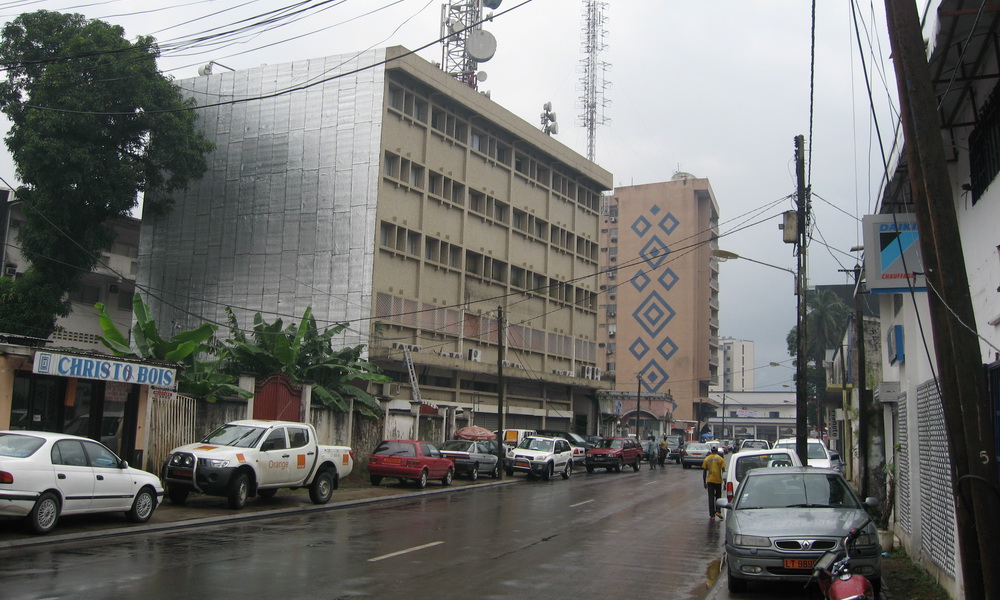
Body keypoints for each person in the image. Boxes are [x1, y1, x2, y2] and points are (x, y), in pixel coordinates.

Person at [702, 445, 726, 520]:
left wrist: (704, 482)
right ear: (717, 451)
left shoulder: (707, 459)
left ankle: (712, 515)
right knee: (718, 497)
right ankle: (718, 511)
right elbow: (723, 471)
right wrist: (725, 482)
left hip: (710, 480)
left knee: (711, 497)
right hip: (718, 480)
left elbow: (704, 471)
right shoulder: (720, 459)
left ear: (711, 450)